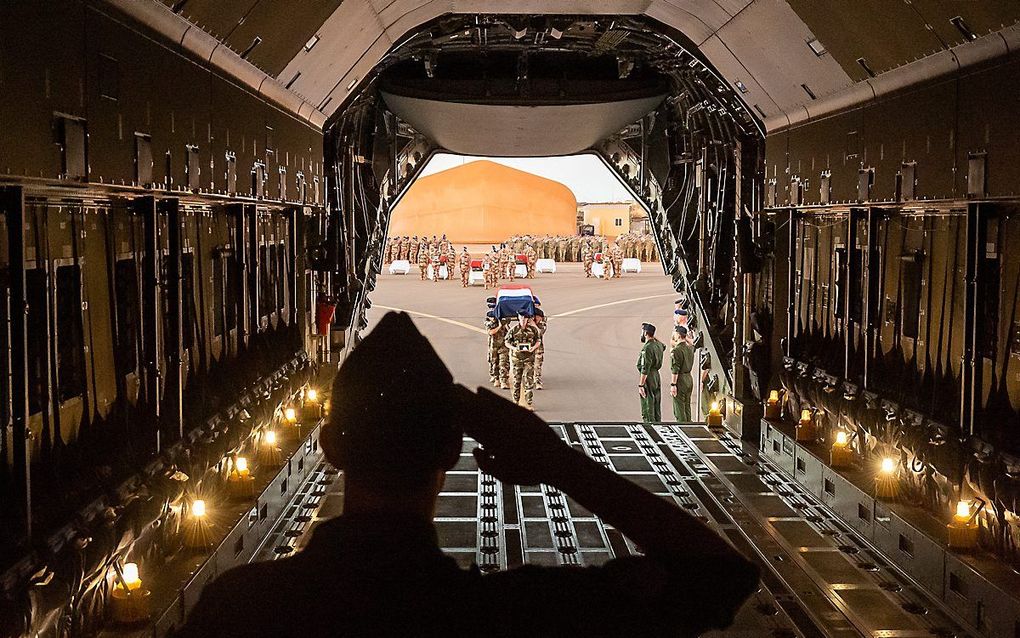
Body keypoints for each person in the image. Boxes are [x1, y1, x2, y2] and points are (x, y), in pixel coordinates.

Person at [177, 312, 759, 637]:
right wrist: (557, 463)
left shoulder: (240, 610)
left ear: (329, 447)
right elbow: (718, 577)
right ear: (455, 449)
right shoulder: (510, 614)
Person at [504, 313, 541, 409]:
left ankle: (529, 403)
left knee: (528, 381)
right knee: (517, 381)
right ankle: (515, 402)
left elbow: (538, 341)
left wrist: (533, 348)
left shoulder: (533, 330)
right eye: (521, 318)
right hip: (517, 359)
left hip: (529, 360)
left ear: (528, 319)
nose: (523, 320)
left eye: (525, 318)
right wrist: (513, 348)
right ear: (518, 318)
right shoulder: (514, 330)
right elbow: (507, 342)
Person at [637, 322, 666, 422]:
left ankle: (650, 427)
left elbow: (645, 368)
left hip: (648, 377)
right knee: (656, 404)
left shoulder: (647, 348)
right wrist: (653, 336)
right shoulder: (658, 345)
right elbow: (664, 346)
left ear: (645, 333)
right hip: (656, 377)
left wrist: (641, 385)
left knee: (648, 406)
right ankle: (658, 425)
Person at [670, 325, 695, 422]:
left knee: (679, 408)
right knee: (687, 406)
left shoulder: (676, 351)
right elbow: (692, 344)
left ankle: (682, 426)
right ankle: (689, 425)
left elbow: (675, 369)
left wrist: (673, 384)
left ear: (678, 335)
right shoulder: (690, 349)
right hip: (689, 378)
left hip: (680, 380)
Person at [532, 302, 547, 390]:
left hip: (538, 348)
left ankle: (537, 380)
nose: (536, 318)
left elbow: (540, 332)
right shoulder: (528, 323)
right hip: (528, 348)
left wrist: (533, 324)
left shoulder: (542, 325)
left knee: (537, 365)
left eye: (538, 316)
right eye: (535, 316)